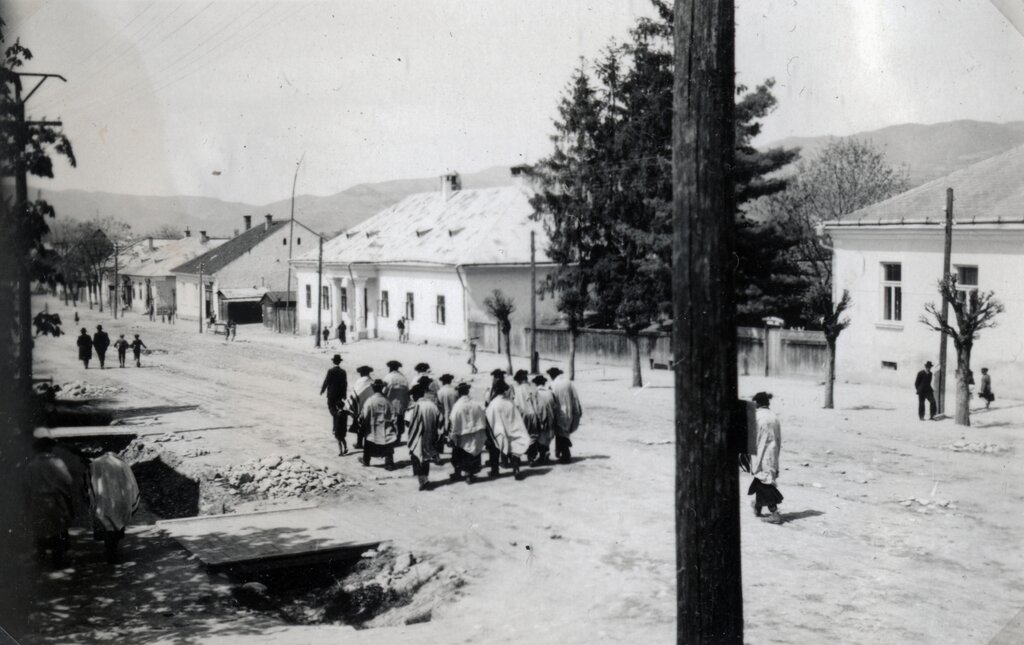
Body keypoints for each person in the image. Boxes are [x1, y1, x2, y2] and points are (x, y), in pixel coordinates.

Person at [26, 430, 74, 567]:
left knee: (40, 529)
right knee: (57, 529)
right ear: (49, 447)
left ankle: (40, 558)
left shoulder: (31, 465)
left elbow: (27, 485)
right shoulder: (56, 462)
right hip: (53, 499)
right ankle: (57, 560)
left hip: (37, 500)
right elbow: (68, 480)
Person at [89, 451, 140, 563]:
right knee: (116, 527)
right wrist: (131, 500)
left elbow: (89, 483)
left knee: (106, 526)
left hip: (101, 500)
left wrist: (91, 499)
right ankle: (113, 551)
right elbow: (131, 483)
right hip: (119, 501)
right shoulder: (121, 463)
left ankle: (109, 550)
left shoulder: (94, 463)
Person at [748, 392, 784, 524]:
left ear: (757, 403)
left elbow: (753, 437)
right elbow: (779, 438)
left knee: (765, 482)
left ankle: (775, 514)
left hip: (761, 452)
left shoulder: (756, 416)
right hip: (773, 452)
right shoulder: (774, 417)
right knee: (762, 478)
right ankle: (757, 506)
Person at [485, 379, 530, 480]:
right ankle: (516, 469)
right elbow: (516, 418)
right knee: (514, 449)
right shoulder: (510, 403)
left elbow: (489, 418)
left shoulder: (493, 404)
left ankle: (494, 471)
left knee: (494, 448)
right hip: (512, 431)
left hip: (499, 432)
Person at [448, 382, 488, 482]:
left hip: (462, 435)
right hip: (475, 434)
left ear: (459, 393)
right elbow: (483, 418)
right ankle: (469, 475)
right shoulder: (476, 404)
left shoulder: (457, 406)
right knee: (473, 455)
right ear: (467, 392)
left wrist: (452, 435)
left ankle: (458, 473)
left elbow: (453, 420)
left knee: (459, 454)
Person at [406, 384, 441, 490]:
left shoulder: (414, 406)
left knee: (416, 456)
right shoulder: (432, 405)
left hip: (418, 435)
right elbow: (439, 420)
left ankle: (422, 480)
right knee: (426, 456)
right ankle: (425, 478)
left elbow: (408, 422)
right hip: (430, 434)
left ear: (416, 395)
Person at [360, 379, 398, 469]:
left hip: (373, 428)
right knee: (388, 445)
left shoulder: (369, 401)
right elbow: (394, 416)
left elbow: (365, 415)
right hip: (386, 428)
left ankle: (366, 460)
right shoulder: (388, 402)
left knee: (368, 442)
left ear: (373, 388)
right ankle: (389, 462)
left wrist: (364, 425)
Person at [548, 367, 583, 463]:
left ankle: (566, 455)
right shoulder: (568, 382)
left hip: (560, 412)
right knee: (564, 432)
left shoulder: (553, 384)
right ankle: (560, 452)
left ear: (552, 375)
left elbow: (551, 400)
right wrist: (578, 410)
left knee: (560, 433)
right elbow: (575, 397)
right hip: (570, 411)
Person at [320, 354, 349, 455]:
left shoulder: (331, 371)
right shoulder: (343, 372)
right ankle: (337, 425)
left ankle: (336, 426)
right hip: (339, 395)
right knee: (338, 410)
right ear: (340, 362)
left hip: (331, 395)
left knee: (332, 410)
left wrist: (322, 390)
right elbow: (345, 384)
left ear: (333, 362)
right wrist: (344, 395)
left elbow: (326, 381)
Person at [511, 370, 542, 464]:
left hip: (523, 415)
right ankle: (531, 458)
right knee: (533, 436)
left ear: (519, 380)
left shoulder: (518, 389)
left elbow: (516, 404)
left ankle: (518, 457)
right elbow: (537, 404)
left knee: (522, 436)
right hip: (533, 414)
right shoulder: (533, 388)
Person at [531, 374, 559, 465]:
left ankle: (543, 456)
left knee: (540, 438)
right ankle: (545, 454)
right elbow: (555, 406)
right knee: (547, 439)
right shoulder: (550, 392)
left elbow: (535, 408)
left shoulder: (536, 393)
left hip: (542, 420)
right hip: (552, 419)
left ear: (535, 383)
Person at [348, 366, 375, 450]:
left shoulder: (359, 381)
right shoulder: (372, 381)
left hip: (359, 406)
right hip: (370, 406)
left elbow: (354, 393)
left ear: (361, 373)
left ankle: (359, 443)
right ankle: (369, 444)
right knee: (369, 426)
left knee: (359, 425)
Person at [383, 360, 410, 441]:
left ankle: (391, 438)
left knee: (390, 421)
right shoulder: (403, 378)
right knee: (400, 420)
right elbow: (407, 392)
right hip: (401, 403)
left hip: (390, 402)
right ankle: (398, 438)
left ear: (390, 368)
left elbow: (384, 391)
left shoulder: (388, 377)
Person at [436, 374, 458, 454]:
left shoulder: (440, 392)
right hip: (454, 414)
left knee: (440, 432)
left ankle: (440, 450)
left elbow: (438, 405)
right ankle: (454, 449)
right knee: (454, 432)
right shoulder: (455, 391)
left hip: (443, 414)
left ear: (442, 381)